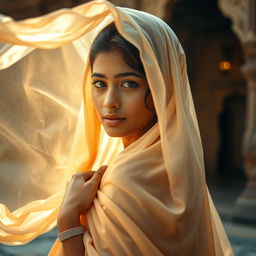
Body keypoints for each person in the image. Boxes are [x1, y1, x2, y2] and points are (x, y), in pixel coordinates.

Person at [0, 1, 234, 255]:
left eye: (129, 84)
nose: (110, 102)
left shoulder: (126, 180)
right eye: (99, 84)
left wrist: (68, 218)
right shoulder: (177, 164)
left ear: (160, 87)